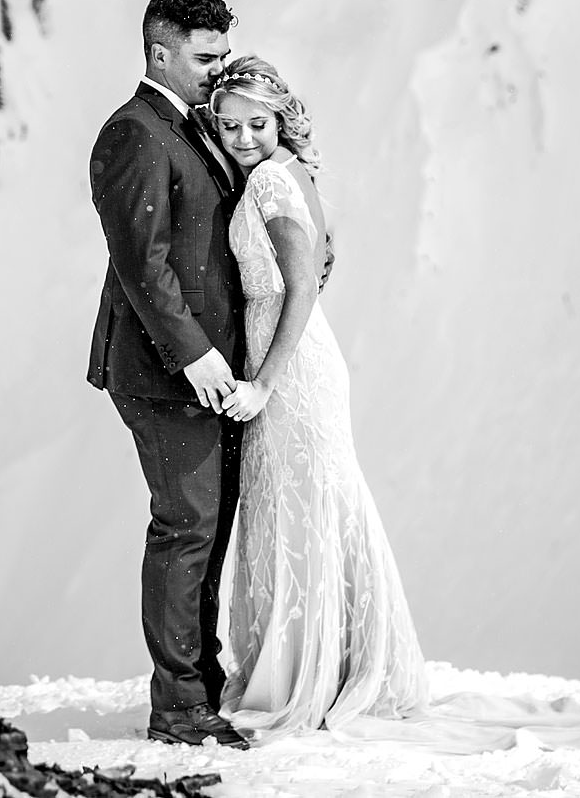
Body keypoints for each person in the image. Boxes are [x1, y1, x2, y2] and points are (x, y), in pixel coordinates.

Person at [202, 55, 428, 737]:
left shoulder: (270, 179)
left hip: (292, 369)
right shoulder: (284, 171)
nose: (243, 137)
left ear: (280, 119)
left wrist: (264, 380)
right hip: (297, 352)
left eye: (257, 123)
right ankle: (328, 663)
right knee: (309, 507)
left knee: (303, 508)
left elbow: (302, 283)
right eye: (230, 124)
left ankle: (313, 673)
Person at [86, 0, 250, 748]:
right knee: (184, 527)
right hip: (163, 371)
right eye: (205, 55)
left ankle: (202, 687)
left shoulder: (185, 123)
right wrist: (197, 357)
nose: (219, 69)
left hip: (207, 369)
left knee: (207, 530)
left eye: (223, 53)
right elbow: (143, 264)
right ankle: (179, 707)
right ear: (161, 51)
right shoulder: (134, 132)